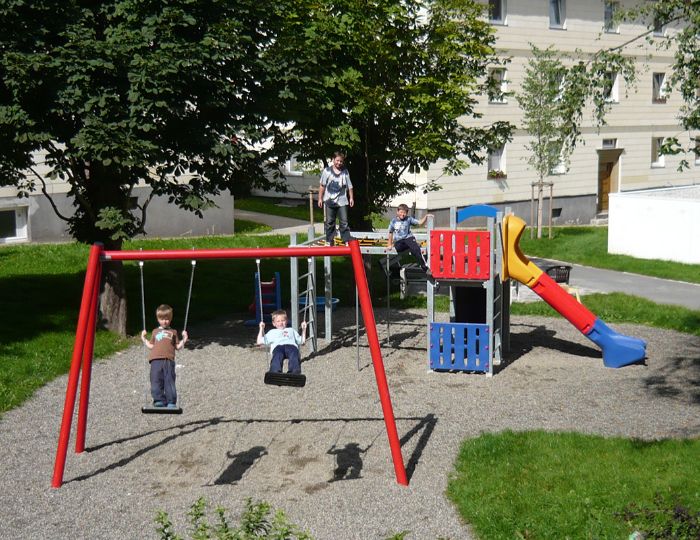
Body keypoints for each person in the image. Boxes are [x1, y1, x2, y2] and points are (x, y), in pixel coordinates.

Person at [141, 304, 188, 408]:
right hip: (155, 360)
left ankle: (171, 401)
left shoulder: (173, 332)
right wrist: (143, 338)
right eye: (162, 319)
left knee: (169, 380)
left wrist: (184, 338)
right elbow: (151, 345)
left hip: (168, 360)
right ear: (158, 319)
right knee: (155, 379)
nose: (164, 321)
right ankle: (159, 400)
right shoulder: (155, 331)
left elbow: (178, 347)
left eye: (167, 319)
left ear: (170, 319)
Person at [387, 203, 434, 278]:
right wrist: (389, 244)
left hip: (408, 238)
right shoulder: (393, 221)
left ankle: (425, 268)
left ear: (406, 213)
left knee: (416, 249)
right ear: (397, 212)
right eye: (401, 212)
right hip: (399, 241)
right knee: (398, 248)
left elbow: (419, 223)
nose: (403, 214)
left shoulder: (408, 219)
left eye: (404, 213)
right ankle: (412, 246)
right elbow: (390, 232)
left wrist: (426, 216)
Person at [317, 151, 354, 244]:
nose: (339, 163)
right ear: (333, 160)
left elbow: (350, 186)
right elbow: (322, 185)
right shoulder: (327, 171)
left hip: (342, 201)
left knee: (344, 222)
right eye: (337, 160)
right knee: (329, 222)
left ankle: (346, 239)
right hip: (329, 200)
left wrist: (351, 198)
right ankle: (329, 240)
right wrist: (320, 198)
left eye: (341, 161)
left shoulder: (345, 172)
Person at [257, 309, 307, 375]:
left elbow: (302, 341)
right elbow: (259, 342)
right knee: (277, 355)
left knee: (294, 353)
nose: (281, 323)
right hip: (278, 346)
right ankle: (275, 372)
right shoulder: (272, 332)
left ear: (286, 321)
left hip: (291, 346)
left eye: (283, 320)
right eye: (278, 321)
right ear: (274, 323)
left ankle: (294, 373)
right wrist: (261, 328)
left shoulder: (291, 330)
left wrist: (304, 329)